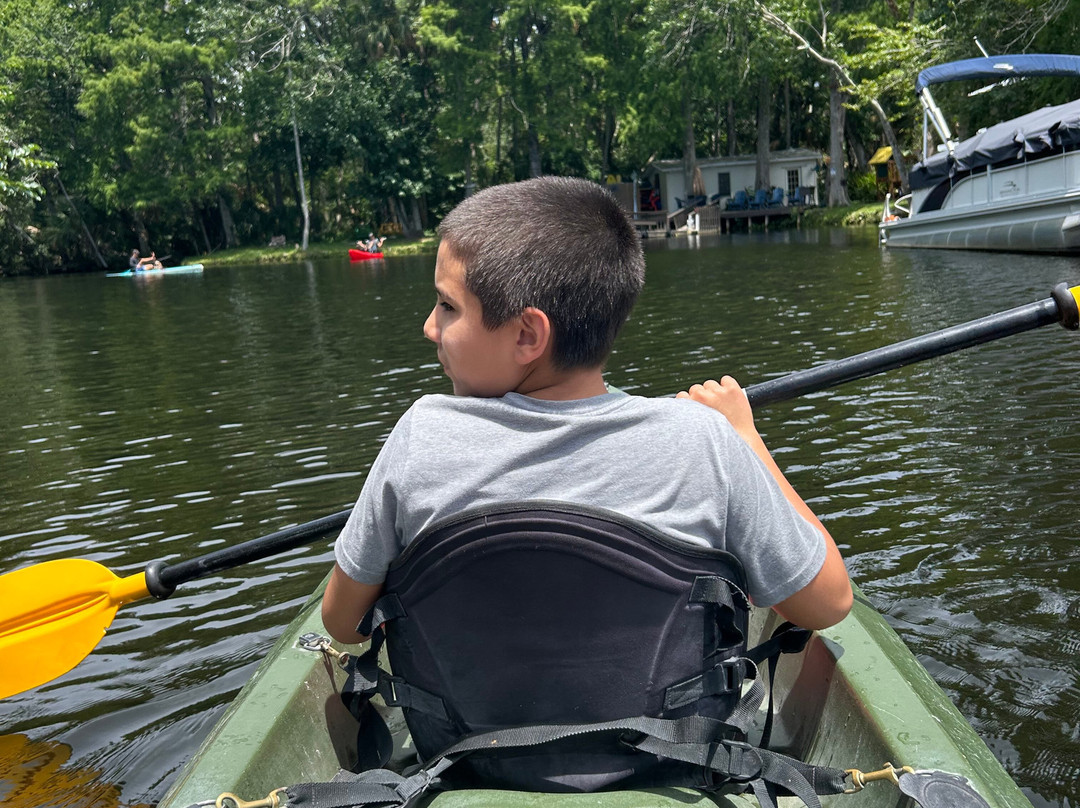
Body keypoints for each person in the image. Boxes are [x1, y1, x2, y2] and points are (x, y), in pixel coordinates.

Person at [322, 176, 851, 648]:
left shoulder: (421, 438)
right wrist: (743, 437)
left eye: (447, 307)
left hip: (462, 760)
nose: (430, 328)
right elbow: (828, 604)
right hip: (671, 759)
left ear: (527, 334)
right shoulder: (704, 440)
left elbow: (343, 624)